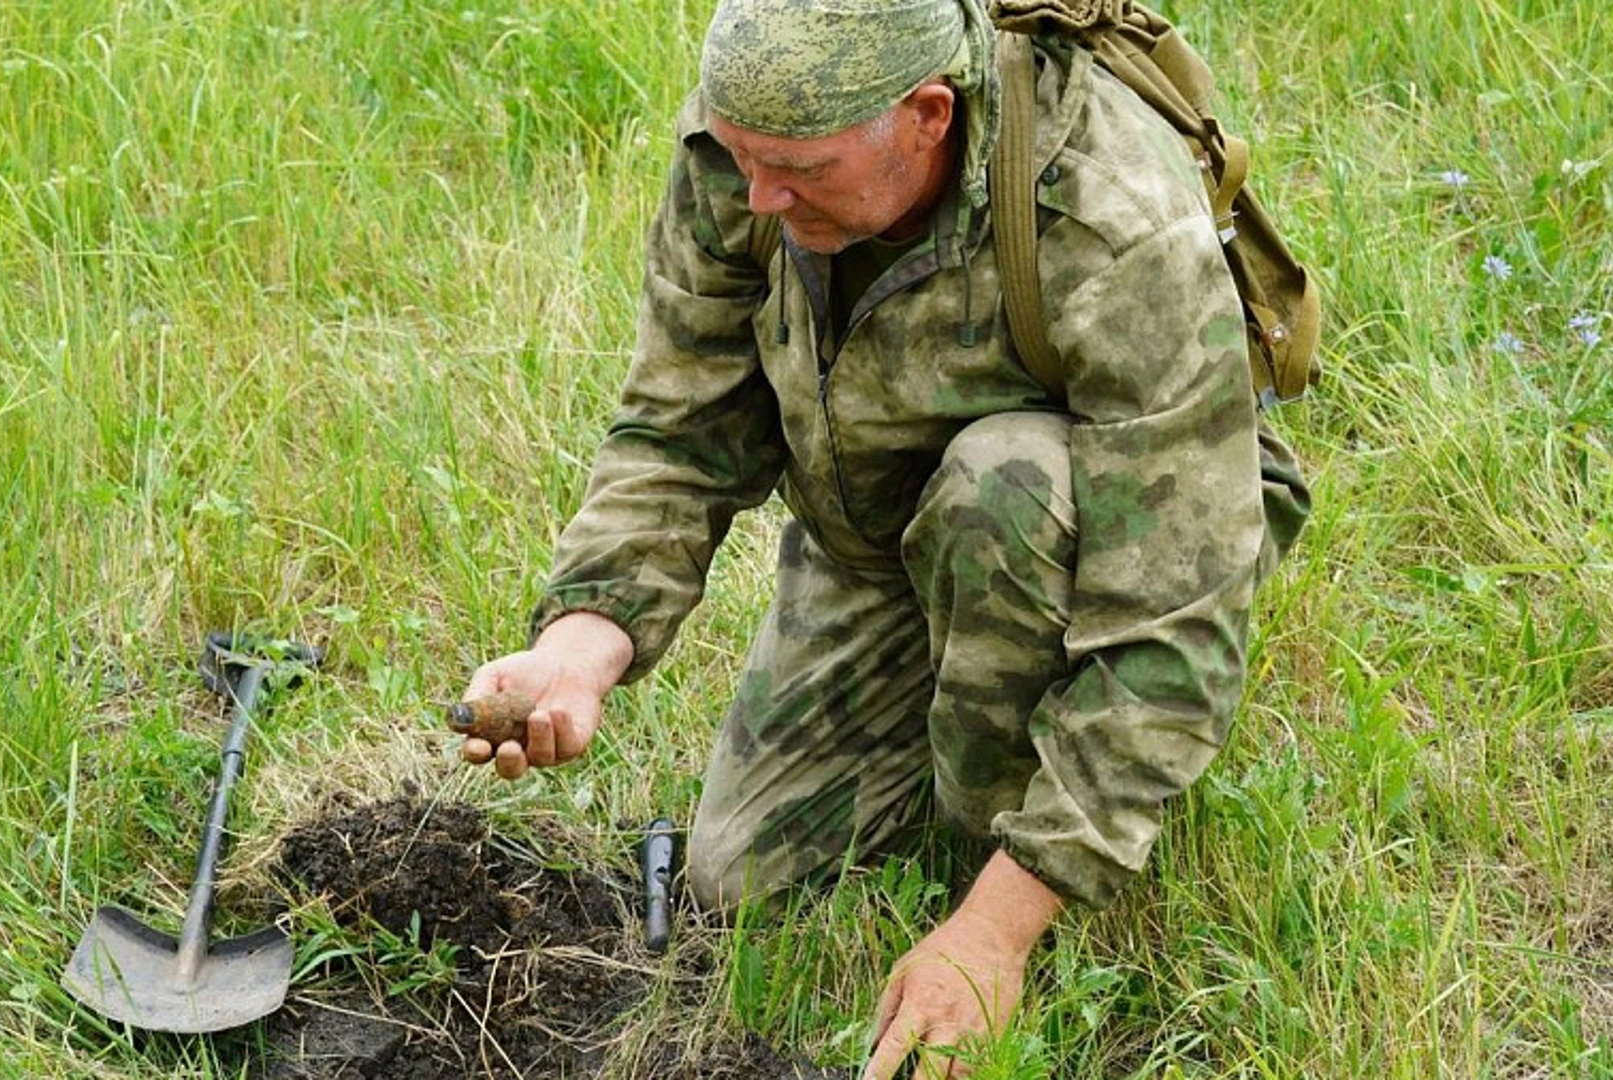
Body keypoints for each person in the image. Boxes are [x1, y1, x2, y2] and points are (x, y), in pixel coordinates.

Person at [461, 0, 1312, 1075]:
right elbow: (680, 424)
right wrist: (581, 646)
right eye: (743, 159)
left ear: (926, 115)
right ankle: (960, 693)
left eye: (798, 172)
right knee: (740, 880)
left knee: (999, 490)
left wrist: (993, 931)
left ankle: (1013, 856)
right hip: (877, 534)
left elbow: (1177, 620)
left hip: (1086, 515)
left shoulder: (1109, 213)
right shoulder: (761, 140)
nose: (759, 196)